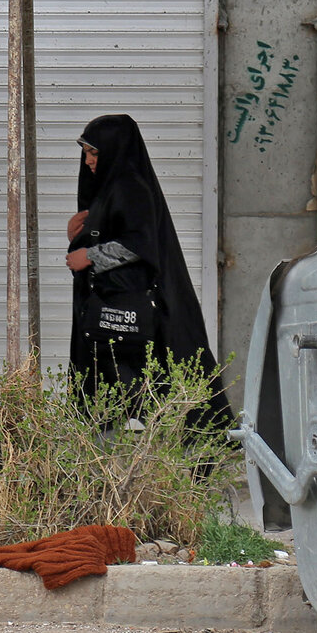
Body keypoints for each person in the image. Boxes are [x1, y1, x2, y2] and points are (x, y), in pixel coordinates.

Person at [65, 114, 233, 435]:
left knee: (144, 397)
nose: (87, 161)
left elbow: (139, 245)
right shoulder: (112, 189)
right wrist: (79, 238)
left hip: (131, 322)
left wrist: (88, 255)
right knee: (113, 402)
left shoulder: (130, 188)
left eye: (94, 153)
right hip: (109, 319)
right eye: (85, 152)